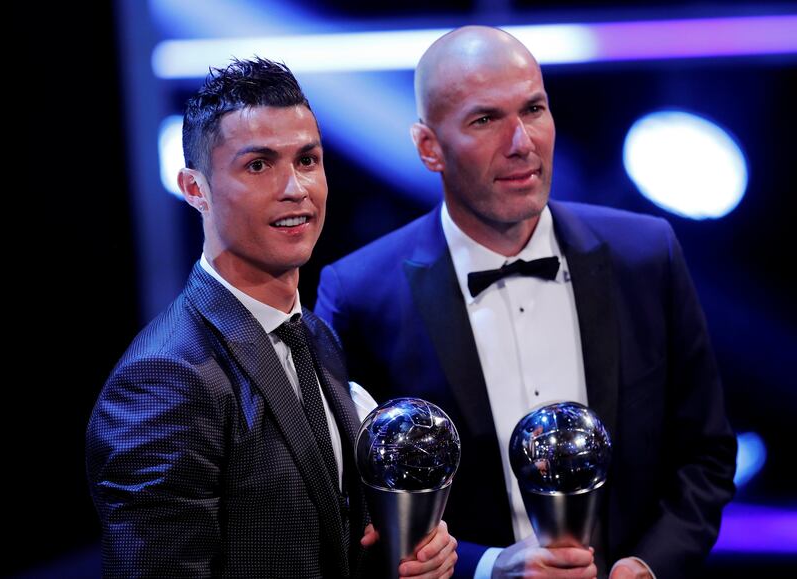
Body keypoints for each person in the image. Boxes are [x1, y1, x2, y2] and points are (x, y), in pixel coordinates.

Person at [315, 26, 736, 579]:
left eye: (533, 108)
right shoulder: (358, 292)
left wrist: (647, 566)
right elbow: (349, 501)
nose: (522, 142)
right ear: (428, 147)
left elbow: (705, 456)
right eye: (485, 119)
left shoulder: (646, 254)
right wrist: (487, 567)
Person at [86, 57, 457, 578]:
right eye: (259, 165)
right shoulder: (163, 380)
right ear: (195, 189)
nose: (295, 189)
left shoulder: (316, 336)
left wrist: (399, 554)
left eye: (307, 160)